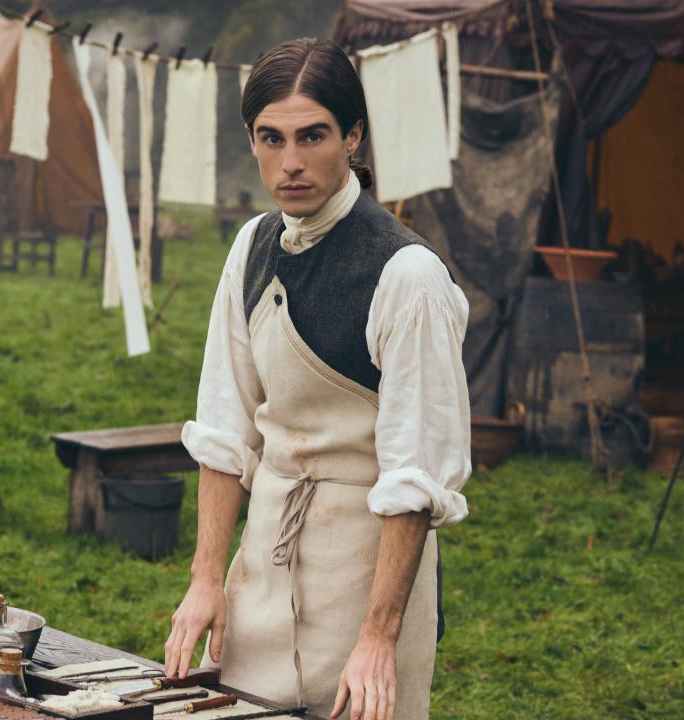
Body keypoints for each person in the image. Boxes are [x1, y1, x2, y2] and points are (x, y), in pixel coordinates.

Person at [165, 37, 471, 720]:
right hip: (265, 560)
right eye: (271, 139)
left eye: (313, 136)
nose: (291, 162)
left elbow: (418, 473)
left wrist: (377, 637)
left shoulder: (408, 277)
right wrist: (206, 579)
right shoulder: (252, 249)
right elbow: (224, 427)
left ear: (354, 136)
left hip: (365, 569)